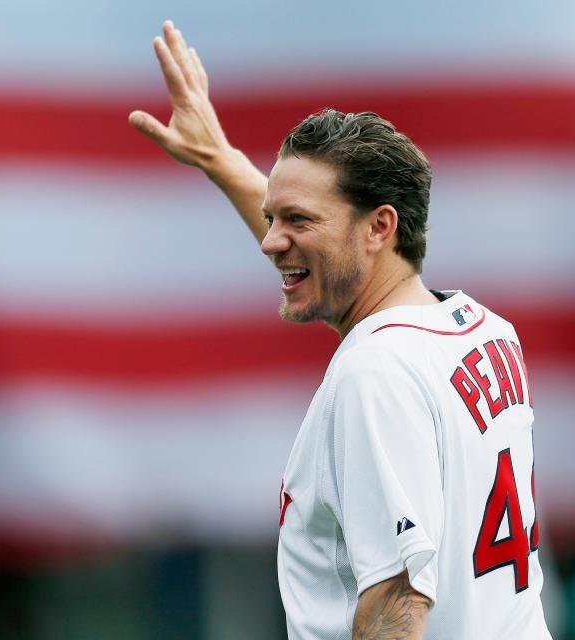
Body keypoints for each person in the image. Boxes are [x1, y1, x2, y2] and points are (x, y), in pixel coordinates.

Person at [129, 20, 553, 640]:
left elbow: (396, 604)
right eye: (273, 217)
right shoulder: (482, 330)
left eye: (297, 219)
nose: (273, 241)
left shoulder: (375, 373)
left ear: (379, 228)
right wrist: (221, 160)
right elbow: (335, 264)